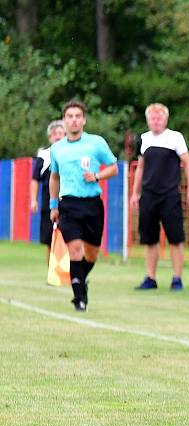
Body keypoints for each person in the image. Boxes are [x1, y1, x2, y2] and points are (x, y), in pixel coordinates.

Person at [49, 100, 118, 311]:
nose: (74, 120)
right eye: (69, 116)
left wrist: (96, 175)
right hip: (68, 204)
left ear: (84, 120)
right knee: (75, 249)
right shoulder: (57, 148)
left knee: (91, 254)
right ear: (64, 121)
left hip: (92, 205)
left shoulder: (95, 143)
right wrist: (53, 205)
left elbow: (114, 168)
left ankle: (80, 281)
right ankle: (79, 298)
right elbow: (54, 177)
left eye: (78, 116)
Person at [129, 103, 189, 291]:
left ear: (165, 119)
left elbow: (188, 164)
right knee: (149, 238)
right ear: (148, 120)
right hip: (148, 196)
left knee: (175, 237)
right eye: (152, 118)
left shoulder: (175, 138)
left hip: (170, 195)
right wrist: (135, 193)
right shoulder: (143, 139)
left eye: (159, 118)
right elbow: (140, 168)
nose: (156, 121)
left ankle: (177, 278)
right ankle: (150, 278)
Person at [29, 120, 66, 265]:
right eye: (54, 134)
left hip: (69, 202)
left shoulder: (71, 153)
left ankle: (70, 272)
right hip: (49, 204)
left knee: (69, 237)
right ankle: (52, 272)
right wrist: (33, 199)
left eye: (60, 133)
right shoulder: (44, 156)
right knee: (50, 239)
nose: (57, 136)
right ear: (50, 137)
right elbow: (35, 179)